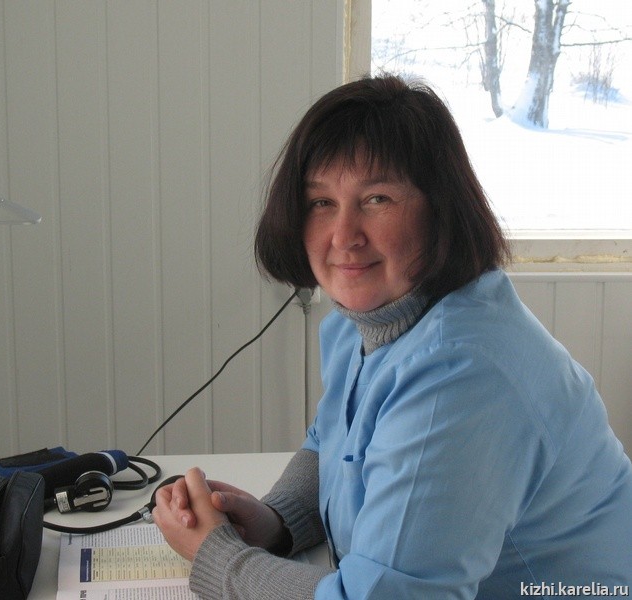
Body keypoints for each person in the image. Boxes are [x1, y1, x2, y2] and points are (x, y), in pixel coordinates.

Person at [152, 74, 632, 599]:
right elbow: (330, 443)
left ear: (440, 209)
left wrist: (219, 558)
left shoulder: (461, 375)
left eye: (377, 198)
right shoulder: (360, 323)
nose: (343, 236)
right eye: (321, 202)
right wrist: (278, 519)